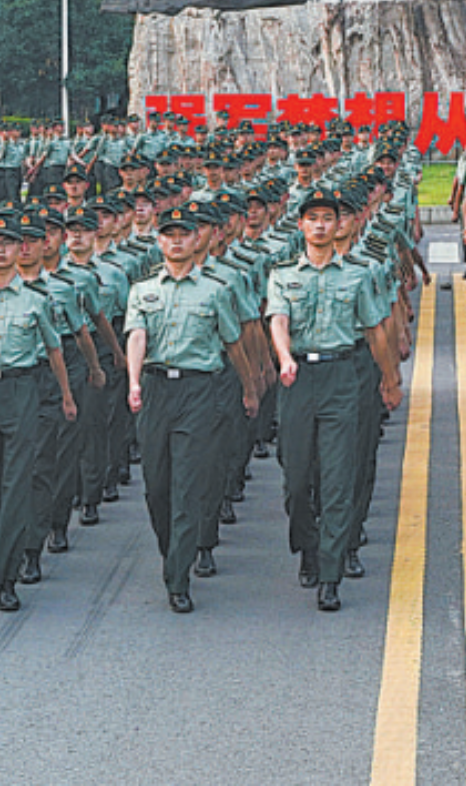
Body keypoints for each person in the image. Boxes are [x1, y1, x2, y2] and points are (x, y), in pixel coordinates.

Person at [268, 185, 403, 610]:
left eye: (329, 218)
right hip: (298, 377)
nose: (321, 225)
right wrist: (284, 358)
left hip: (342, 376)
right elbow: (278, 320)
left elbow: (375, 331)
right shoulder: (283, 274)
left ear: (339, 224)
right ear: (301, 225)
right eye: (313, 218)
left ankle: (331, 573)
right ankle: (307, 546)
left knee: (338, 478)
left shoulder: (357, 274)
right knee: (297, 480)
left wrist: (389, 380)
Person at [125, 206, 257, 613]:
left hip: (199, 390)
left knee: (187, 485)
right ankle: (174, 553)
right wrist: (134, 381)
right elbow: (136, 337)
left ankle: (179, 577)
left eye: (184, 234)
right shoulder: (143, 289)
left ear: (197, 239)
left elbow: (232, 342)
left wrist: (250, 387)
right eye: (170, 235)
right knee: (157, 487)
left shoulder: (215, 290)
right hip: (156, 389)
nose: (177, 241)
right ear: (159, 241)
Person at [0, 215, 76, 611]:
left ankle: (6, 576)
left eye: (8, 244)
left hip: (23, 389)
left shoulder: (36, 299)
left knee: (17, 483)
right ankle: (4, 545)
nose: (2, 250)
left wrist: (66, 395)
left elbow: (54, 350)